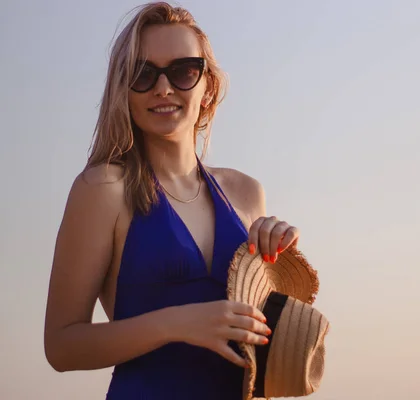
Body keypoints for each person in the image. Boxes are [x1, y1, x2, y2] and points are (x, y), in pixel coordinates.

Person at [43, 2, 301, 399]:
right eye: (143, 74)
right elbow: (61, 346)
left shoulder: (247, 193)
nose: (163, 88)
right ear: (123, 89)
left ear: (207, 85)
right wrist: (177, 323)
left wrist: (278, 260)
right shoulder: (102, 189)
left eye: (183, 71)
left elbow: (260, 338)